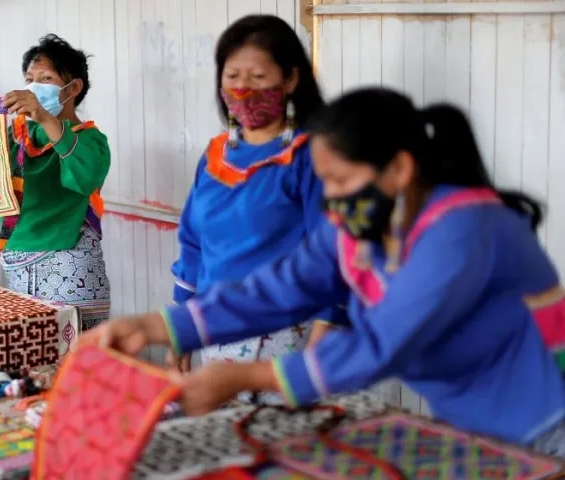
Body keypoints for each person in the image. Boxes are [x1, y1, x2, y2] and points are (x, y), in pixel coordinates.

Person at [81, 87, 565, 457]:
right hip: (472, 421)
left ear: (398, 169)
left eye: (340, 180)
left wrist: (241, 377)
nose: (330, 198)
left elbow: (380, 344)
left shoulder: (462, 229)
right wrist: (155, 326)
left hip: (545, 421)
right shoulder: (363, 225)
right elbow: (280, 289)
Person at [167, 15, 341, 399]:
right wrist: (181, 330)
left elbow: (334, 254)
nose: (243, 89)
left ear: (291, 80)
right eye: (232, 76)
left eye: (258, 78)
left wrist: (316, 354)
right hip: (214, 330)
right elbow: (194, 246)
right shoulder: (215, 156)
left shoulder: (312, 157)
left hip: (285, 338)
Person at [0, 34, 111, 330]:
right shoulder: (14, 137)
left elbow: (84, 179)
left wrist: (45, 116)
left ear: (73, 88)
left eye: (45, 78)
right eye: (29, 79)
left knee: (75, 360)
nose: (33, 87)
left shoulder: (90, 138)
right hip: (18, 261)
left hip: (70, 264)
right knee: (31, 363)